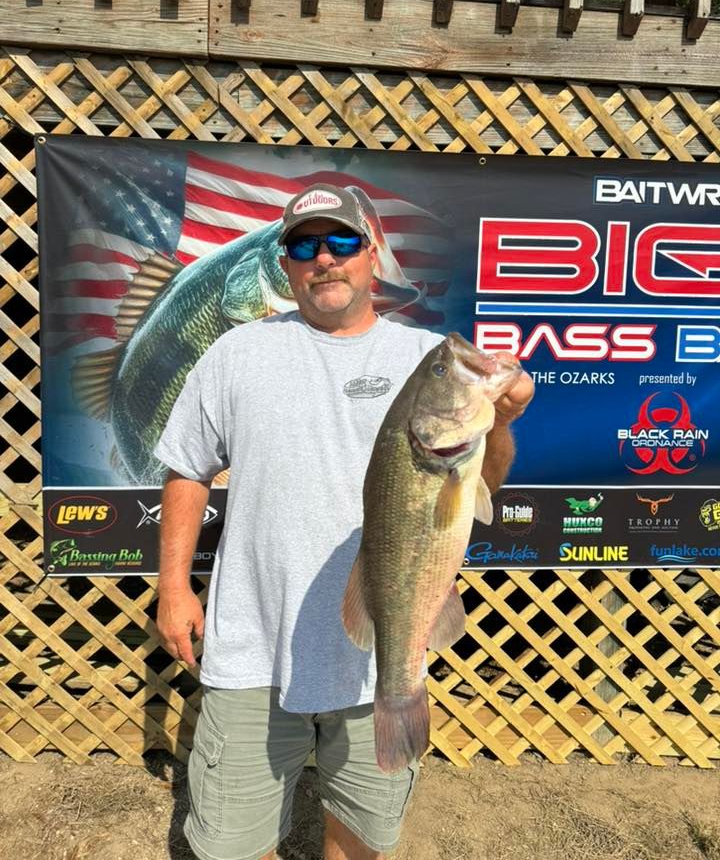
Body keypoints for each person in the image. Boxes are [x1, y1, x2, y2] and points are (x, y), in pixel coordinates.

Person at [155, 182, 534, 860]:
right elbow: (185, 467)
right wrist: (174, 587)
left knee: (360, 842)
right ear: (286, 264)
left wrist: (499, 420)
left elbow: (487, 481)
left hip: (378, 658)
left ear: (372, 252)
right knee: (231, 847)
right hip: (251, 651)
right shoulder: (235, 353)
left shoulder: (417, 357)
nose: (324, 259)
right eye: (304, 246)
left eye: (342, 242)